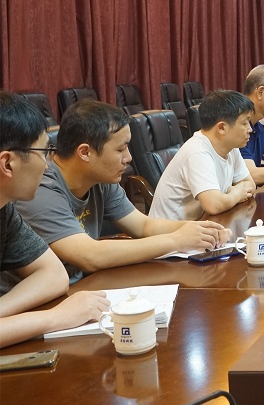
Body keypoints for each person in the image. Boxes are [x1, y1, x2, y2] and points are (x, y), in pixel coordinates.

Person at [14, 100, 229, 282]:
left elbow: (143, 226)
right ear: (85, 152)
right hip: (48, 301)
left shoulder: (100, 178)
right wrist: (176, 240)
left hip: (85, 285)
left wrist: (201, 230)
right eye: (120, 149)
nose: (129, 157)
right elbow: (90, 256)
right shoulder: (41, 188)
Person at [0, 92, 110, 346]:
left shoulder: (4, 210)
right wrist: (55, 317)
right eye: (43, 152)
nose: (48, 165)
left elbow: (54, 274)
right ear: (7, 163)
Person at [149, 90, 257, 221]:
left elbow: (250, 184)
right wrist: (237, 194)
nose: (250, 129)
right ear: (222, 128)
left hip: (203, 223)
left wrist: (231, 196)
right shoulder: (198, 152)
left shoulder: (230, 146)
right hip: (171, 230)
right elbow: (214, 205)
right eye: (245, 123)